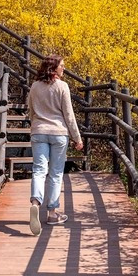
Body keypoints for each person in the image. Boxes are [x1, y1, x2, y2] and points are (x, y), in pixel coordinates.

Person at [27, 55, 83, 236]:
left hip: (39, 131)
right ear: (53, 68)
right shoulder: (62, 86)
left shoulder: (35, 86)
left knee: (39, 170)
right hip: (58, 133)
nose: (63, 69)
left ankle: (35, 203)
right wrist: (77, 137)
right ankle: (52, 213)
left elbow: (31, 110)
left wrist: (35, 126)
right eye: (61, 66)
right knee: (56, 173)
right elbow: (69, 115)